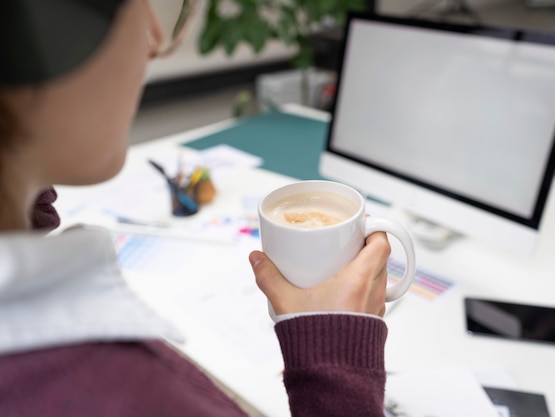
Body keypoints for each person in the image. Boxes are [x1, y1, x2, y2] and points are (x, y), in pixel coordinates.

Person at [0, 1, 392, 416]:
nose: (153, 40)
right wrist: (336, 363)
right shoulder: (110, 393)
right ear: (37, 33)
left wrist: (21, 188)